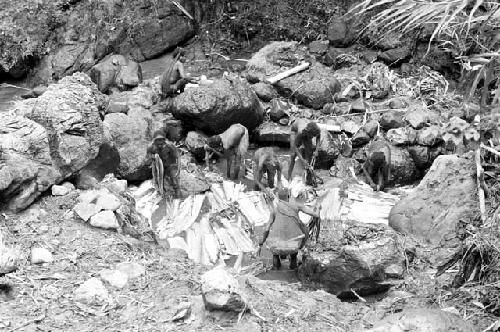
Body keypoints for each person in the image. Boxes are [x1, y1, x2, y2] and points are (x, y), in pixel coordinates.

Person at [258, 187, 320, 270]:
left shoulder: (274, 209)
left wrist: (261, 242)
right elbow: (316, 215)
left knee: (273, 239)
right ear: (288, 195)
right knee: (303, 229)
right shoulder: (297, 205)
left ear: (278, 197)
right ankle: (293, 262)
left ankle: (276, 264)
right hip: (294, 245)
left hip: (276, 245)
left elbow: (267, 228)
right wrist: (318, 208)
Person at [144, 130, 181, 198]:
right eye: (158, 141)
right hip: (159, 167)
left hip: (171, 165)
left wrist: (178, 170)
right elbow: (147, 162)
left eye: (161, 141)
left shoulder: (170, 145)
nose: (160, 144)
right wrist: (152, 157)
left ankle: (178, 197)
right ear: (154, 141)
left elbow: (178, 156)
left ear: (164, 140)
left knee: (175, 181)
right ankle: (163, 196)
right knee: (159, 183)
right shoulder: (151, 147)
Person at [287, 119, 322, 185]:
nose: (312, 138)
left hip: (306, 134)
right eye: (311, 136)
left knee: (309, 155)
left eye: (313, 136)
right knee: (293, 155)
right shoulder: (301, 132)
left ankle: (308, 179)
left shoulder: (316, 129)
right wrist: (302, 160)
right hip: (294, 131)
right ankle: (289, 178)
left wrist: (316, 150)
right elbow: (295, 147)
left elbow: (318, 137)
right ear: (308, 133)